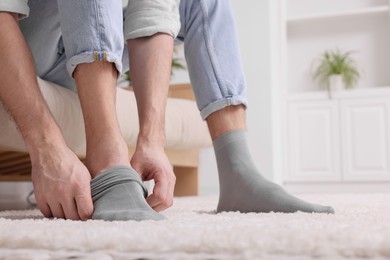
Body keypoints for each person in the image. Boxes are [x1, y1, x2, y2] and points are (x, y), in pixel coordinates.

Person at [0, 0, 334, 221]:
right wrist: (46, 149)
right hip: (22, 39)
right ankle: (108, 160)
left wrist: (152, 141)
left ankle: (238, 173)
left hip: (71, 47)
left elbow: (153, 9)